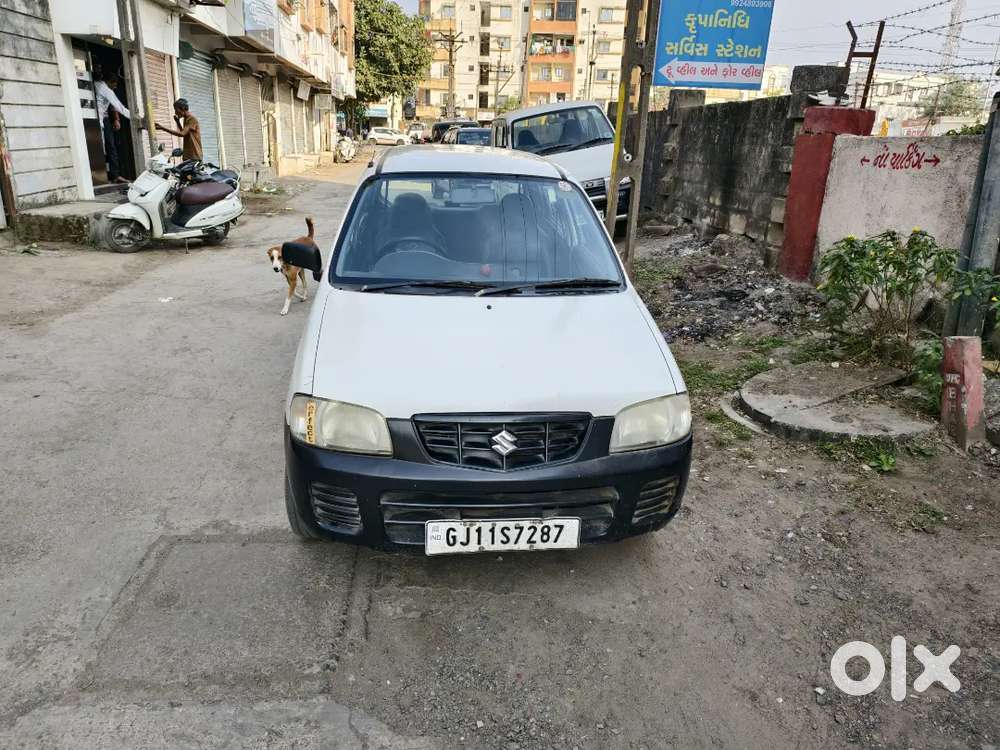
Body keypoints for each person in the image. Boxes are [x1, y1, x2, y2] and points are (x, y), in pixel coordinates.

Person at [94, 72, 130, 184]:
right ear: (110, 82)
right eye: (114, 85)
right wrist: (135, 117)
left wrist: (116, 119)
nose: (115, 87)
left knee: (105, 147)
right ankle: (111, 176)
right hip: (99, 120)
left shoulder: (96, 84)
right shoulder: (106, 90)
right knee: (108, 148)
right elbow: (119, 106)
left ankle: (109, 176)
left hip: (100, 119)